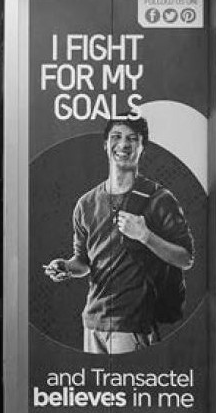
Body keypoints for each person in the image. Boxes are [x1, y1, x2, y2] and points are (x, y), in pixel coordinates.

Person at [43, 117, 194, 354]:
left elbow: (185, 258)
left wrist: (145, 235)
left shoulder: (159, 199)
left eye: (132, 139)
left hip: (134, 324)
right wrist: (65, 266)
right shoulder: (86, 203)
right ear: (105, 144)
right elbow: (84, 263)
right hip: (93, 323)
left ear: (142, 147)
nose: (123, 144)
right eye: (116, 137)